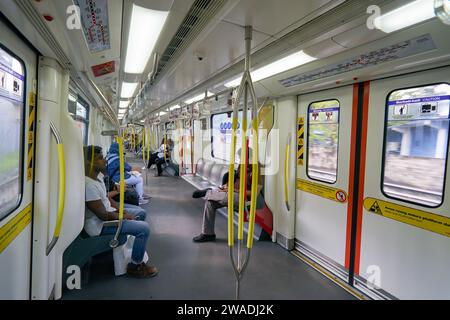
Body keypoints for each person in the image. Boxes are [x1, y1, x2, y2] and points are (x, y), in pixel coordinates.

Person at [83, 145, 158, 278]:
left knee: (141, 213)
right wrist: (123, 216)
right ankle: (135, 266)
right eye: (100, 158)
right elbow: (103, 215)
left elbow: (106, 198)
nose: (105, 161)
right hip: (100, 226)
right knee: (144, 229)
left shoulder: (98, 176)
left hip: (108, 213)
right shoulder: (88, 185)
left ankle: (135, 245)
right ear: (89, 162)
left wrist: (120, 210)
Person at [192, 149, 263, 242]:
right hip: (231, 193)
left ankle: (209, 192)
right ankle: (208, 234)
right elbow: (235, 180)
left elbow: (254, 193)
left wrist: (234, 190)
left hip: (244, 199)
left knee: (227, 196)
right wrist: (226, 186)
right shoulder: (242, 166)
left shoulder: (256, 170)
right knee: (210, 203)